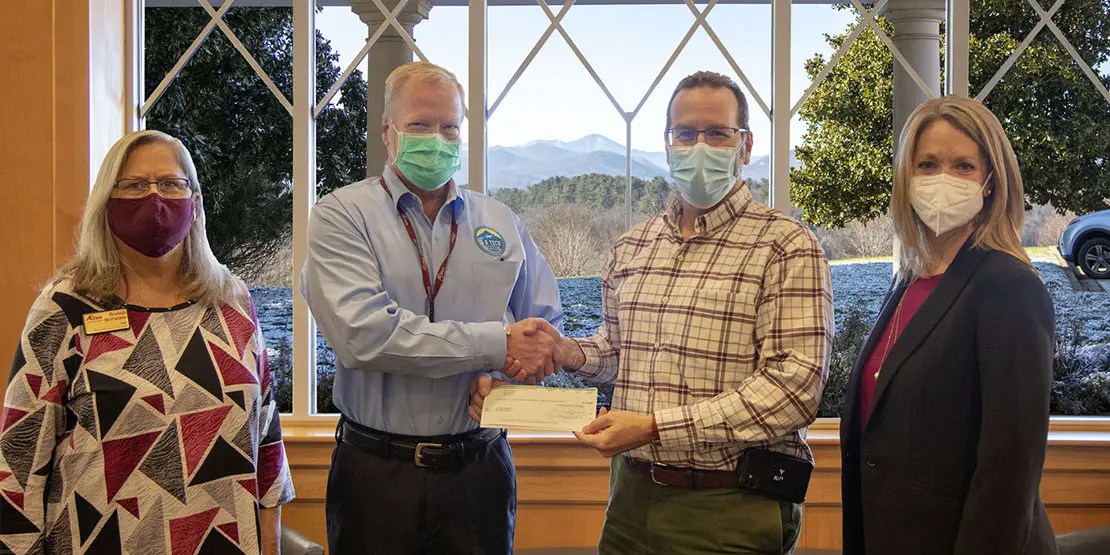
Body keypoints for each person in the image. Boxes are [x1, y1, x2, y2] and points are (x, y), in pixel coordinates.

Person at [472, 70, 833, 555]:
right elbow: (620, 352)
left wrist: (655, 426)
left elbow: (793, 389)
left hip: (731, 505)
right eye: (685, 133)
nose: (699, 144)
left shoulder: (786, 246)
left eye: (716, 133)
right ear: (667, 146)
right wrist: (563, 351)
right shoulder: (632, 246)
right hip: (630, 500)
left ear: (745, 147)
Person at [300, 61, 564, 555]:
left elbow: (544, 327)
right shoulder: (341, 215)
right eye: (420, 124)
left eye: (449, 126)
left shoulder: (501, 221)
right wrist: (495, 343)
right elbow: (365, 335)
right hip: (376, 475)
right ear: (387, 132)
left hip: (480, 472)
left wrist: (509, 378)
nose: (436, 138)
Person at [0, 130, 294, 554]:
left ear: (194, 204)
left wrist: (270, 542)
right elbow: (19, 462)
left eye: (171, 184)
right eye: (135, 185)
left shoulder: (231, 301)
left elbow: (266, 439)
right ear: (107, 202)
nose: (154, 198)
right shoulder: (65, 308)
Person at [839, 95, 1057, 555]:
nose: (944, 180)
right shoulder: (909, 281)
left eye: (963, 166)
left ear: (990, 182)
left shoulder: (1008, 285)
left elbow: (1009, 470)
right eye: (928, 164)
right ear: (906, 177)